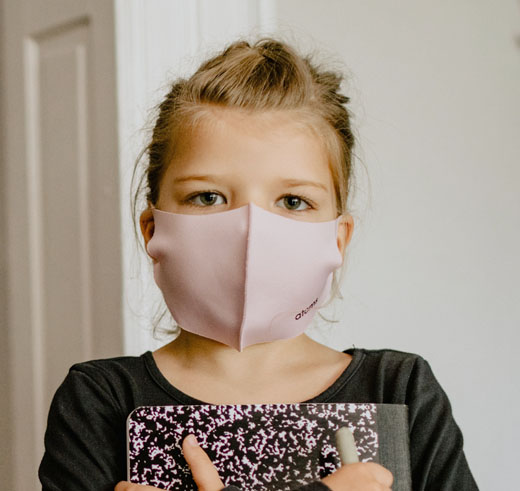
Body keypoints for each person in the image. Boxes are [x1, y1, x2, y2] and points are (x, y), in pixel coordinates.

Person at [37, 38, 478, 491]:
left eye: (293, 201)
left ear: (338, 238)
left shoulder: (400, 391)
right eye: (207, 197)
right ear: (153, 228)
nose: (251, 232)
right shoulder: (101, 399)